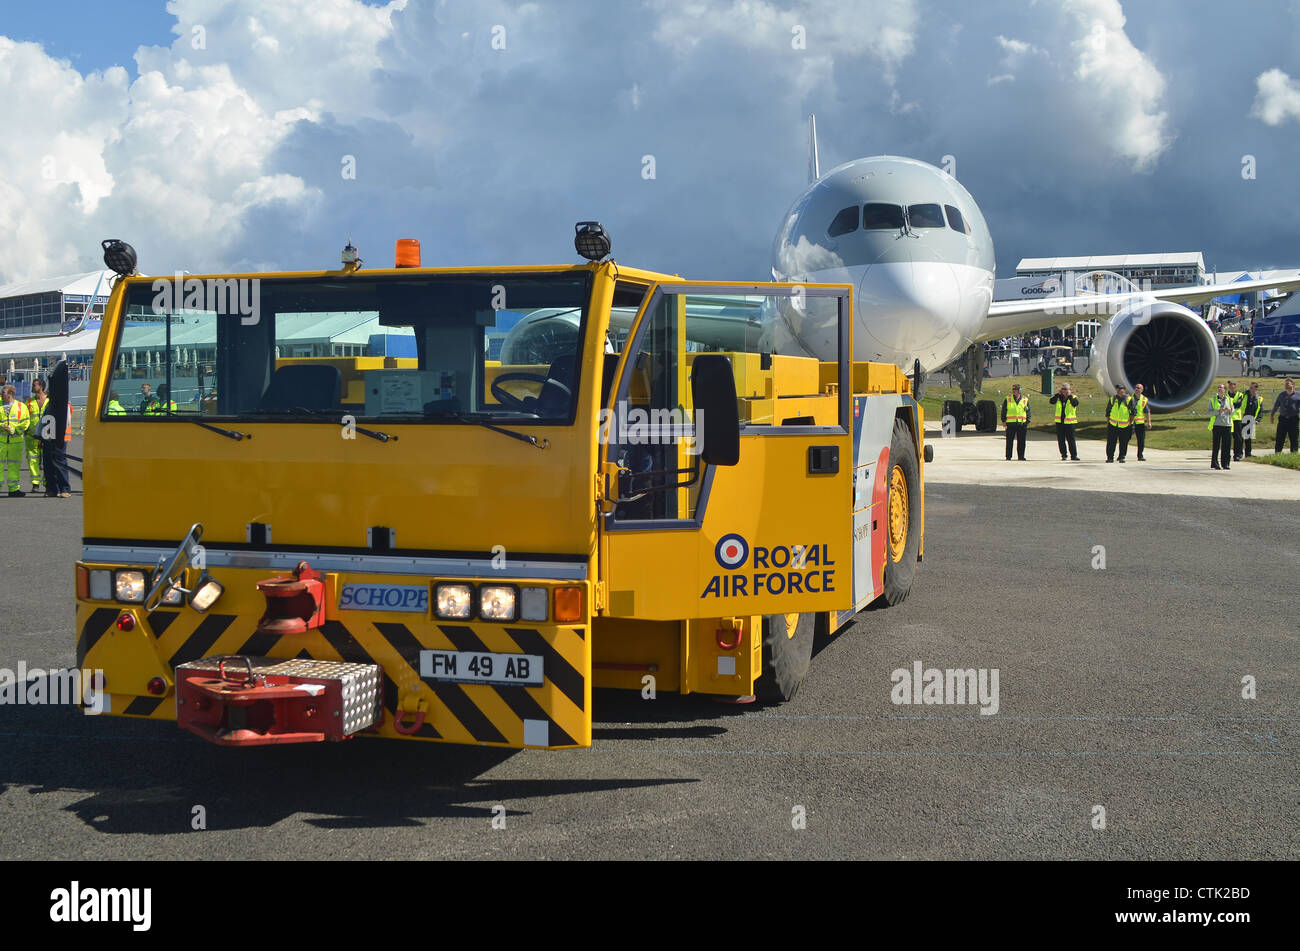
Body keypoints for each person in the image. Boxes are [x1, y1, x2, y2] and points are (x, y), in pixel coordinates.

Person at [41, 362, 73, 498]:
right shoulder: (49, 406)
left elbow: (65, 421)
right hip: (48, 437)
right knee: (48, 462)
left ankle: (64, 488)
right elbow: (44, 421)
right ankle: (51, 488)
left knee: (59, 461)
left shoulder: (64, 405)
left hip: (59, 437)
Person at [1, 384, 30, 496]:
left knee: (14, 466)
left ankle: (13, 489)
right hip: (1, 441)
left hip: (16, 442)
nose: (1, 394)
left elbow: (26, 423)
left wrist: (14, 429)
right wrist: (1, 426)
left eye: (3, 392)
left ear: (10, 394)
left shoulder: (21, 407)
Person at [24, 378, 48, 493]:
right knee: (32, 460)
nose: (32, 387)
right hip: (31, 437)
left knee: (48, 460)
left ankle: (47, 483)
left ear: (41, 387)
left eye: (34, 385)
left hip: (47, 437)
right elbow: (25, 418)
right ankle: (35, 483)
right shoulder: (29, 402)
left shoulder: (50, 401)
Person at [1049, 382, 1080, 460]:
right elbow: (1051, 401)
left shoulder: (1073, 397)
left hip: (1070, 422)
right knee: (1061, 440)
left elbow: (1075, 404)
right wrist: (1057, 395)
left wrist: (1069, 396)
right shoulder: (1059, 398)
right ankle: (1064, 455)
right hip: (1060, 422)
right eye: (1063, 389)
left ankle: (1074, 455)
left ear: (1070, 390)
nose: (1064, 391)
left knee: (1071, 440)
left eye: (1066, 389)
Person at [1104, 384, 1134, 463]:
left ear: (1124, 390)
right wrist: (1109, 422)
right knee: (1111, 442)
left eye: (1120, 389)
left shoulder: (1129, 399)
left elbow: (1133, 413)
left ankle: (1122, 457)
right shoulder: (1112, 399)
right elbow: (1108, 412)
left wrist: (1129, 423)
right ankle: (1110, 457)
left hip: (1125, 425)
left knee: (1124, 442)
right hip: (1113, 424)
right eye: (1117, 389)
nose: (1118, 390)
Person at [1207, 383, 1234, 470]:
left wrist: (1229, 410)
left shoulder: (1229, 400)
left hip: (1227, 425)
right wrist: (1218, 411)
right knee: (1216, 445)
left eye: (1221, 388)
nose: (1219, 389)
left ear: (1224, 390)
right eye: (1218, 387)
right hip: (1217, 425)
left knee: (1226, 445)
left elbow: (1233, 412)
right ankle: (1215, 463)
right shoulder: (1213, 400)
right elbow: (1209, 413)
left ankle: (1225, 463)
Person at [1001, 383, 1030, 461]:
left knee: (1021, 441)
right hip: (1011, 423)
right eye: (1013, 389)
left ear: (1019, 391)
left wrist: (1027, 422)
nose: (1014, 391)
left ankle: (1021, 456)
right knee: (1009, 441)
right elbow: (1004, 410)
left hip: (1022, 424)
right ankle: (1008, 456)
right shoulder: (1008, 399)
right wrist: (1003, 421)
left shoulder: (1025, 399)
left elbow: (1028, 411)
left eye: (1015, 389)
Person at [1271, 377, 1300, 453]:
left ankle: (1293, 454)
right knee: (1280, 438)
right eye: (1285, 384)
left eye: (1288, 383)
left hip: (1293, 420)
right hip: (1283, 419)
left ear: (1293, 385)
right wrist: (1272, 415)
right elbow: (1276, 405)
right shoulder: (1281, 395)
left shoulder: (1298, 395)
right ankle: (1278, 453)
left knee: (1294, 438)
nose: (1286, 385)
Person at [1225, 380, 1246, 461]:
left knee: (1238, 438)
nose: (1230, 386)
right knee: (1227, 438)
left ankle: (1238, 454)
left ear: (1235, 386)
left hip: (1237, 419)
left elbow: (1237, 405)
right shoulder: (1225, 395)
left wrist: (1229, 406)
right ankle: (1227, 455)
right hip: (1227, 419)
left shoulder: (1240, 395)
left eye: (1232, 385)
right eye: (1229, 385)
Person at [1242, 382, 1264, 457]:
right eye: (1250, 387)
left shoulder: (1259, 398)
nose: (1250, 389)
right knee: (1240, 437)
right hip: (1242, 418)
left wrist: (1258, 420)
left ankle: (1248, 453)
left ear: (1256, 389)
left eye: (1252, 388)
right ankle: (1238, 453)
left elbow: (1260, 411)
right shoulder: (1244, 395)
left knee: (1248, 438)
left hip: (1251, 419)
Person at [1131, 382, 1152, 461]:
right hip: (1131, 422)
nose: (1137, 389)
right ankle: (1122, 455)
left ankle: (1140, 455)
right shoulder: (1130, 398)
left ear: (1142, 390)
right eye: (1136, 387)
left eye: (1139, 388)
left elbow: (1147, 411)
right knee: (1125, 439)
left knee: (1141, 440)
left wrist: (1149, 422)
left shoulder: (1144, 399)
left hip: (1140, 423)